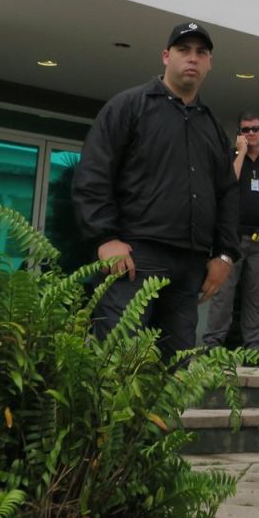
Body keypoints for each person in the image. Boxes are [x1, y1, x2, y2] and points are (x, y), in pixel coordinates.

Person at [72, 22, 239, 359]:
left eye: (201, 53)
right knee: (117, 364)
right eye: (183, 50)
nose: (192, 58)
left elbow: (227, 194)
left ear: (209, 63)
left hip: (190, 267)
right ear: (166, 56)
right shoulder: (128, 107)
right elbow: (93, 174)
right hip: (134, 259)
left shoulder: (212, 127)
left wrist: (224, 254)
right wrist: (104, 238)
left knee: (172, 372)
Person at [202, 112, 259, 364]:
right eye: (245, 130)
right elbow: (228, 183)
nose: (250, 134)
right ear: (239, 134)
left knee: (258, 297)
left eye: (255, 129)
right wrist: (241, 153)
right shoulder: (232, 159)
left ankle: (253, 350)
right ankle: (213, 346)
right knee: (223, 294)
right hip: (232, 238)